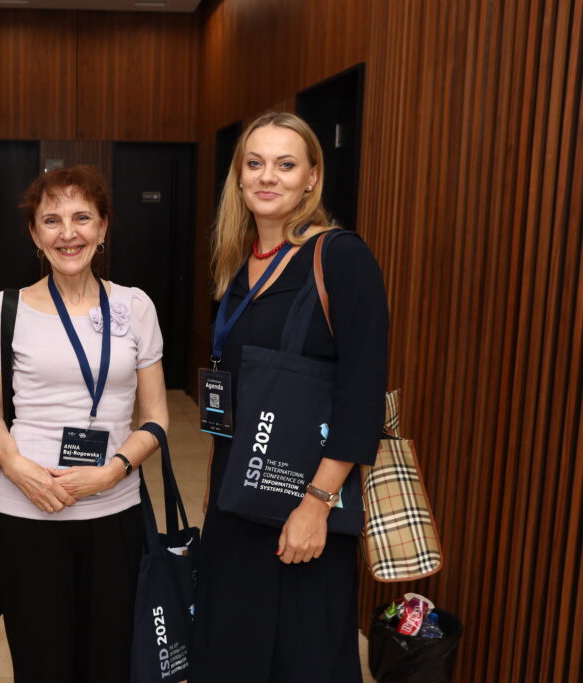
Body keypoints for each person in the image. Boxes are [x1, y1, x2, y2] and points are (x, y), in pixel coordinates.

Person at [191, 112, 388, 682]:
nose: (267, 177)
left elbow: (361, 396)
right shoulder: (237, 264)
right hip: (237, 499)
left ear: (311, 177)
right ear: (239, 176)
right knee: (231, 651)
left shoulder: (341, 257)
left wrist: (316, 505)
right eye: (255, 163)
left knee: (298, 657)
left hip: (301, 503)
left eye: (285, 164)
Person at [0, 165, 169, 683]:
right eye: (52, 220)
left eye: (82, 217)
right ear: (34, 234)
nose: (68, 233)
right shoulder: (5, 308)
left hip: (114, 509)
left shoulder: (135, 306)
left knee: (110, 662)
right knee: (41, 663)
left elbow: (155, 417)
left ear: (103, 228)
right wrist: (17, 468)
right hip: (27, 511)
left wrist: (112, 471)